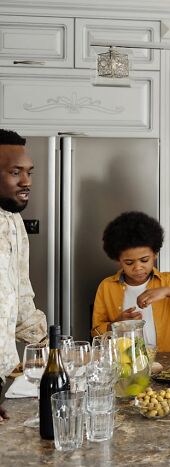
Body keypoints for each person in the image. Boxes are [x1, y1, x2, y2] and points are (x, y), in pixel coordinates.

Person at [91, 211, 170, 352]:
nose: (138, 267)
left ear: (155, 254)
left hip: (166, 363)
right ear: (118, 260)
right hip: (124, 364)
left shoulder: (168, 281)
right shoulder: (106, 287)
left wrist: (168, 292)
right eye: (129, 262)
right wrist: (116, 325)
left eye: (144, 260)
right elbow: (96, 332)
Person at [0, 129, 48, 421]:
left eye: (29, 172)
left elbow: (20, 298)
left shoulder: (14, 223)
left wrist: (51, 350)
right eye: (14, 172)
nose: (26, 181)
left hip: (4, 376)